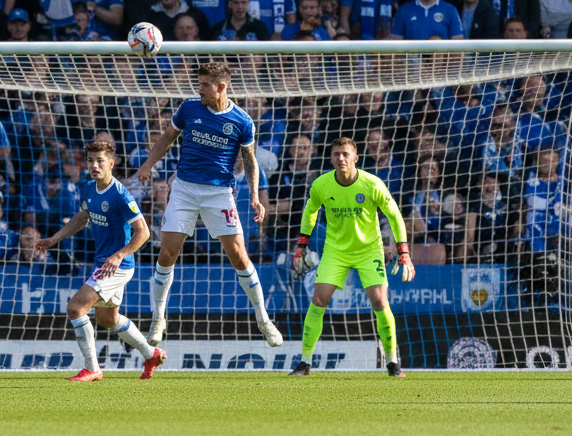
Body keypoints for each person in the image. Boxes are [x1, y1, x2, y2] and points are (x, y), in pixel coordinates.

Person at [135, 61, 283, 348]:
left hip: (219, 193)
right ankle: (158, 319)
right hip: (185, 188)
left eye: (204, 85)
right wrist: (147, 165)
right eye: (199, 84)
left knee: (239, 256)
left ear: (221, 88)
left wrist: (253, 196)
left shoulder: (241, 120)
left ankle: (263, 319)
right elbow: (167, 137)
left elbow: (250, 161)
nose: (199, 89)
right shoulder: (189, 108)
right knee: (167, 253)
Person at [37, 139, 165, 381]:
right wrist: (56, 238)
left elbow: (144, 232)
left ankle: (92, 368)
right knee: (109, 320)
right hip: (102, 262)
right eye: (90, 160)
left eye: (100, 161)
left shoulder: (120, 194)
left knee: (75, 308)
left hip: (117, 265)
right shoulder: (88, 188)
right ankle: (151, 354)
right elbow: (83, 217)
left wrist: (119, 255)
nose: (94, 165)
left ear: (111, 164)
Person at [289, 137, 413, 377]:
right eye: (336, 154)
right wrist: (301, 245)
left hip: (369, 250)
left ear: (356, 158)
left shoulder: (372, 184)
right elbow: (310, 212)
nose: (341, 158)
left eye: (346, 154)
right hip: (336, 251)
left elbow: (395, 216)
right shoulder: (321, 184)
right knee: (319, 300)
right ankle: (304, 363)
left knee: (379, 300)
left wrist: (404, 252)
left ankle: (392, 362)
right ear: (331, 158)